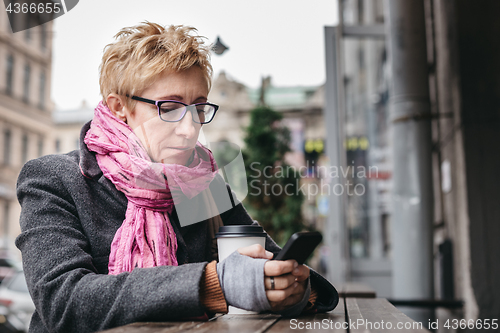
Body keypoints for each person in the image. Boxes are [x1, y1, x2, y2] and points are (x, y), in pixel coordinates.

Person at [15, 22, 338, 333]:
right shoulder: (56, 180)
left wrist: (293, 289)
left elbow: (278, 265)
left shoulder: (203, 185)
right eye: (169, 108)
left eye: (199, 108)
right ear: (119, 107)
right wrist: (214, 284)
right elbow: (65, 303)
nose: (189, 128)